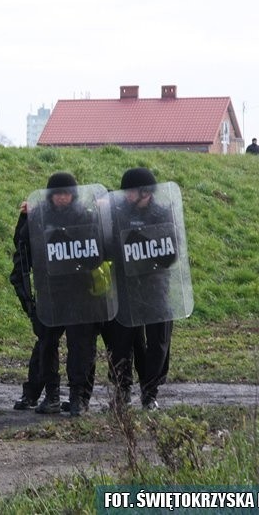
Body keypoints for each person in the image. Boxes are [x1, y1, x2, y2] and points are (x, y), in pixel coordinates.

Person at [9, 172, 100, 416]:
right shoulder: (38, 217)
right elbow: (22, 246)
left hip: (80, 292)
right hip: (50, 292)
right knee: (47, 344)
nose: (62, 197)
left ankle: (77, 396)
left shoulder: (85, 217)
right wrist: (24, 218)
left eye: (67, 193)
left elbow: (97, 252)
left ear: (74, 195)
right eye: (57, 193)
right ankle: (51, 394)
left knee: (80, 346)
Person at [103, 167, 174, 411]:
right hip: (127, 288)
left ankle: (150, 392)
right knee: (120, 341)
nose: (126, 195)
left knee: (158, 341)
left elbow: (171, 253)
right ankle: (122, 390)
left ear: (146, 192)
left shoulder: (163, 214)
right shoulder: (119, 213)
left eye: (130, 191)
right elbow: (108, 246)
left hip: (155, 288)